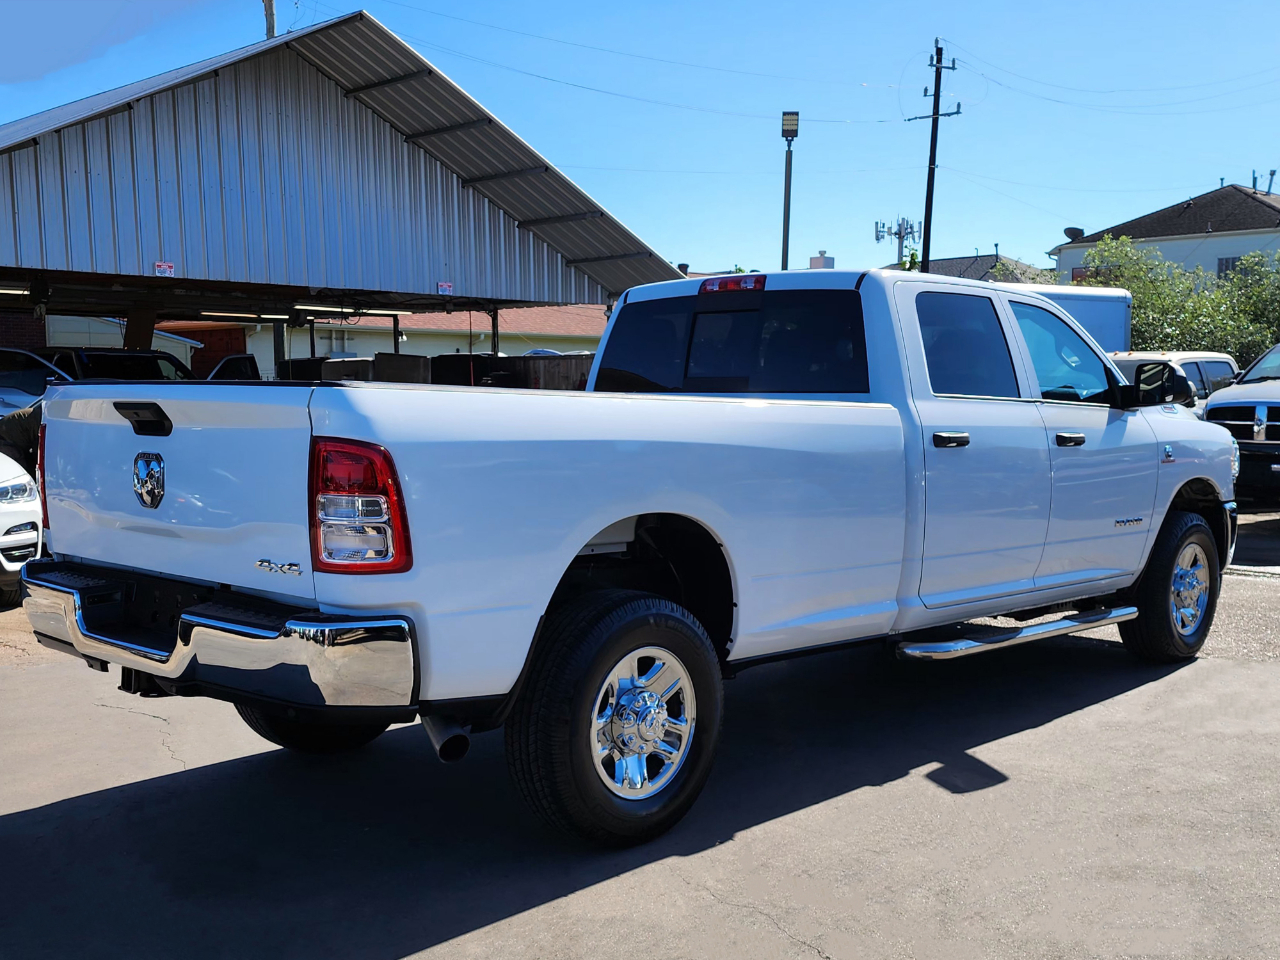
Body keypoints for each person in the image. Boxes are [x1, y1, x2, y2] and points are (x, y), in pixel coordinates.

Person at [0, 400, 41, 478]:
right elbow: (39, 450)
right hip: (5, 440)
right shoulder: (45, 421)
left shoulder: (42, 414)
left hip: (12, 437)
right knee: (22, 473)